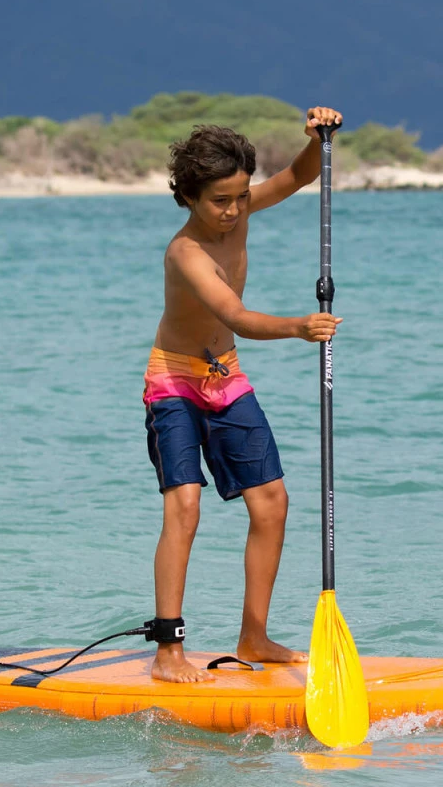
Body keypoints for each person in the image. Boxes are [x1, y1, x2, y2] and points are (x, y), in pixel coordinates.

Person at [143, 106, 344, 683]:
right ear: (188, 197)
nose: (233, 210)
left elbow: (301, 175)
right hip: (174, 383)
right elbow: (234, 315)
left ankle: (254, 635)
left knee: (272, 501)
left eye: (239, 197)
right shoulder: (185, 253)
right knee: (185, 505)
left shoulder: (243, 207)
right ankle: (167, 650)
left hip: (225, 376)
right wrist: (298, 327)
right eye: (219, 201)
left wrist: (317, 137)